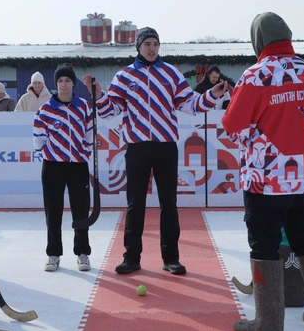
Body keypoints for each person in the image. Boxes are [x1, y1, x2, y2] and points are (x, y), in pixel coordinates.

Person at [222, 12, 304, 331]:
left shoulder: (256, 76)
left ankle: (267, 324)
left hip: (265, 179)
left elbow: (232, 125)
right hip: (302, 179)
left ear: (258, 38)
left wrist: (250, 138)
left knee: (264, 245)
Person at [83, 27, 229, 276]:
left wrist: (212, 96)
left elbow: (189, 104)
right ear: (138, 47)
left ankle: (171, 257)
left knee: (169, 203)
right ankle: (131, 257)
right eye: (147, 44)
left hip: (166, 146)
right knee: (135, 203)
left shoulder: (171, 73)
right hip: (137, 147)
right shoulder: (125, 75)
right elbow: (111, 111)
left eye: (155, 44)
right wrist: (99, 97)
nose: (152, 48)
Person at [33, 64, 93, 272]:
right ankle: (53, 254)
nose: (64, 84)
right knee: (53, 211)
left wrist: (83, 153)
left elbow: (89, 135)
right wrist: (50, 154)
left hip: (78, 166)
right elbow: (38, 138)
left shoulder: (84, 106)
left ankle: (82, 253)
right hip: (53, 167)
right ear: (55, 84)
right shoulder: (46, 109)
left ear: (73, 83)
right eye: (60, 81)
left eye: (67, 80)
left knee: (80, 210)